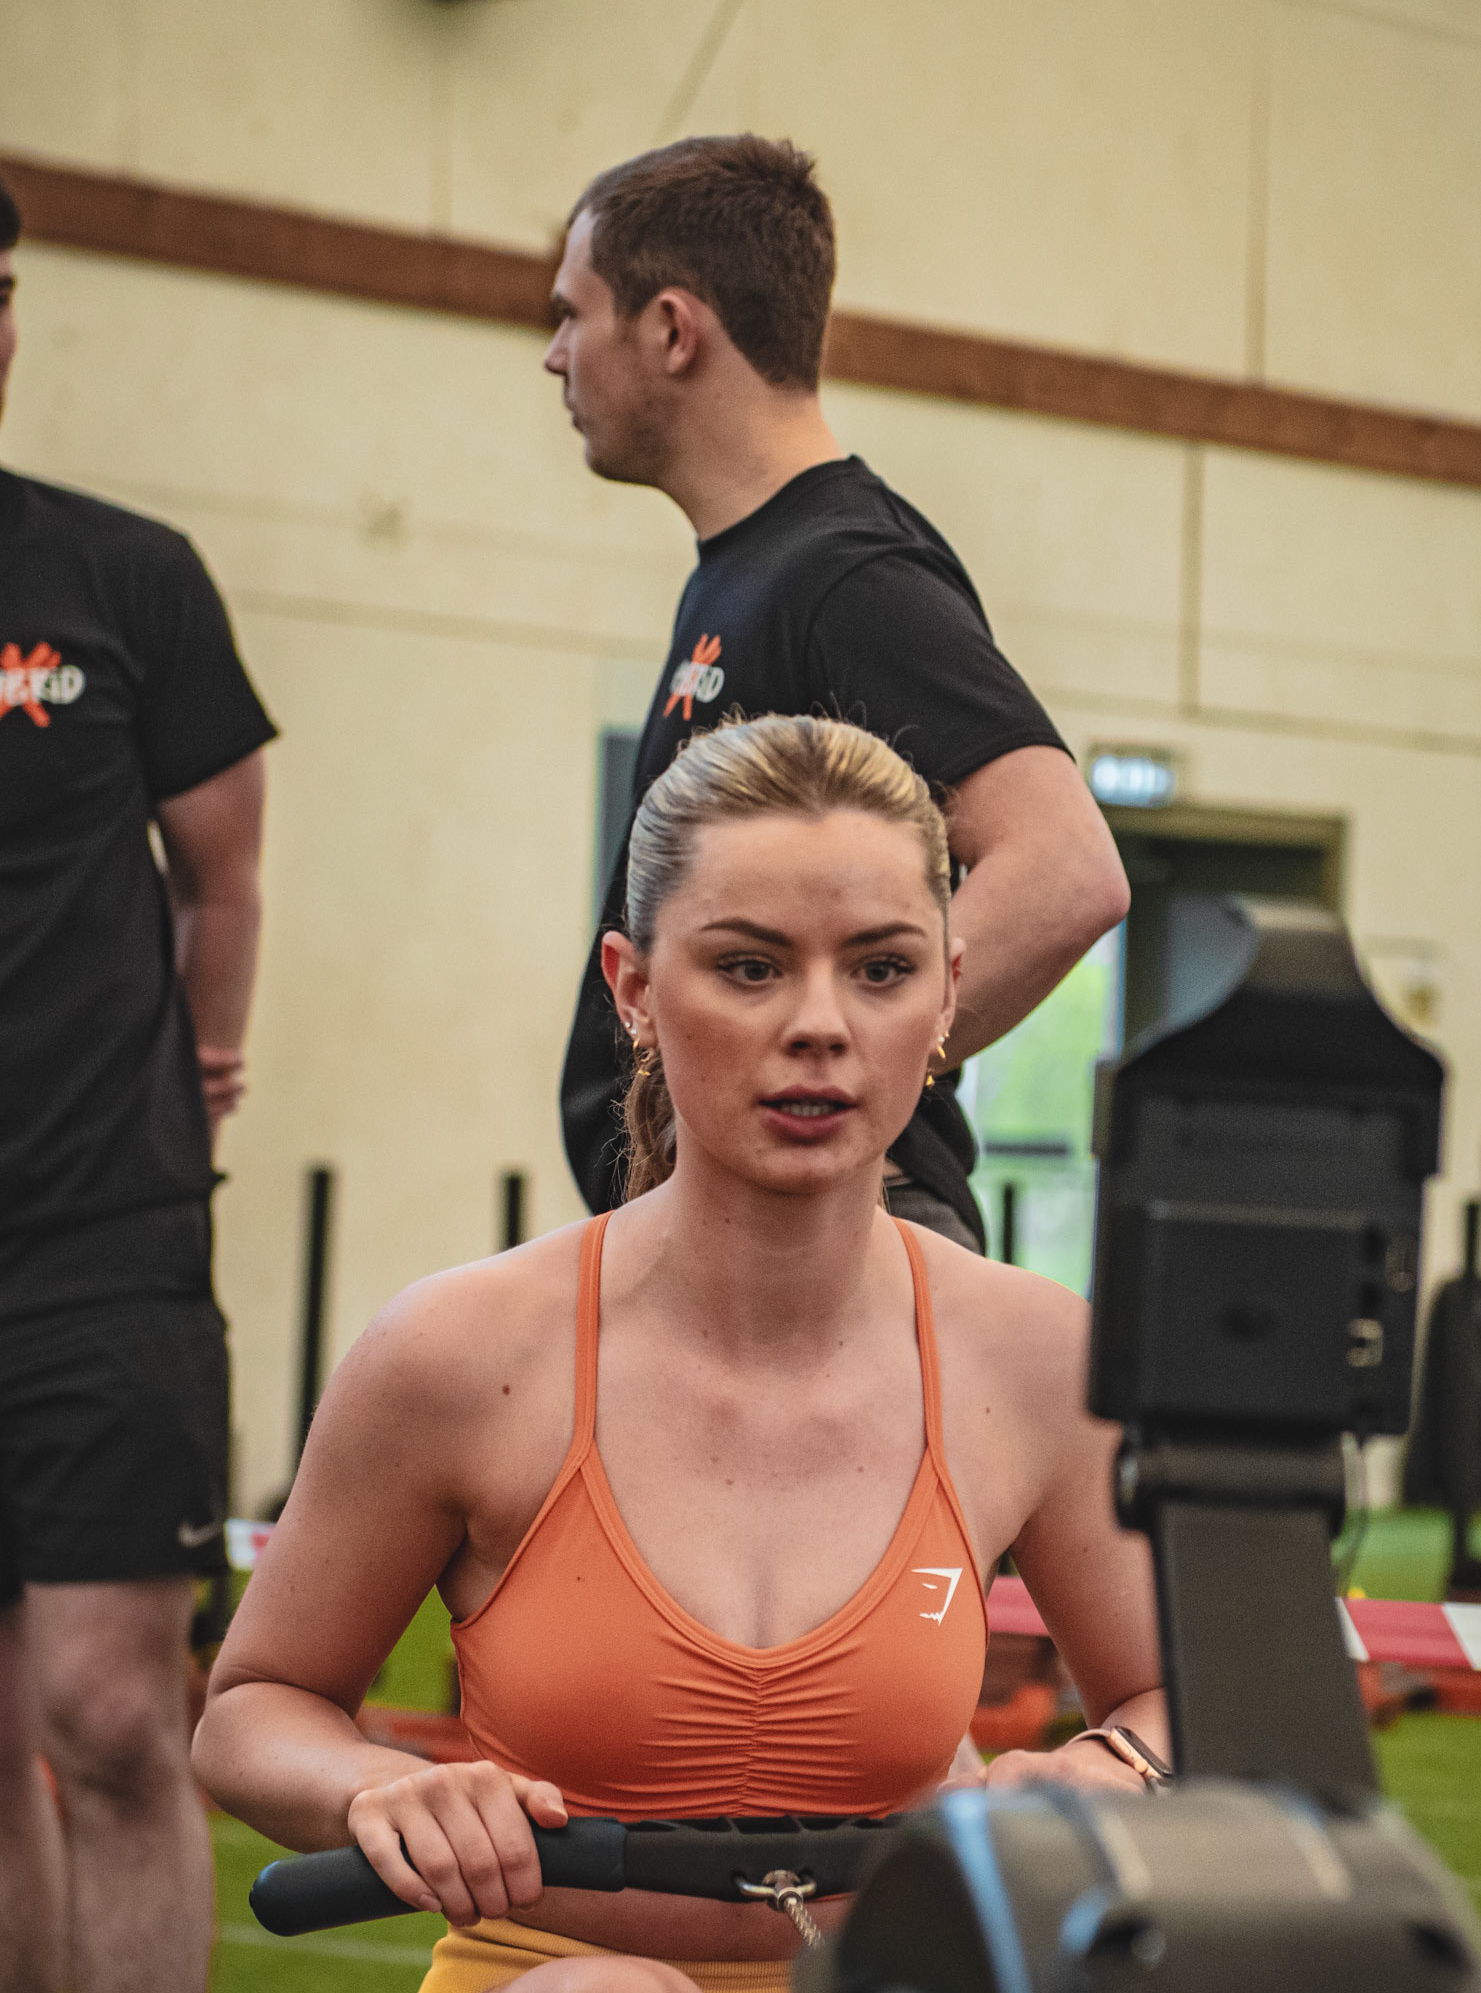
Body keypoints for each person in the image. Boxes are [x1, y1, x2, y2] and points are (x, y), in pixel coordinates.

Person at [194, 714, 1164, 1993]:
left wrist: (1115, 1767)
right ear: (635, 988)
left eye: (881, 968)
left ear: (947, 991)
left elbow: (1184, 1702)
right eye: (750, 967)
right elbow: (252, 1708)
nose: (819, 1024)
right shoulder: (458, 1353)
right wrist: (378, 1785)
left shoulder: (1035, 1357)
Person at [553, 135, 1130, 1250]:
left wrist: (829, 1087)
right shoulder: (747, 569)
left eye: (573, 314)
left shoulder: (847, 573)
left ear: (671, 330)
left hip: (850, 1230)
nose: (553, 354)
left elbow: (1066, 871)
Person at [0, 174, 276, 1993]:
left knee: (109, 1713)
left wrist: (198, 1057)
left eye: (2, 290)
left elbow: (221, 869)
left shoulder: (122, 577)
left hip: (102, 1236)